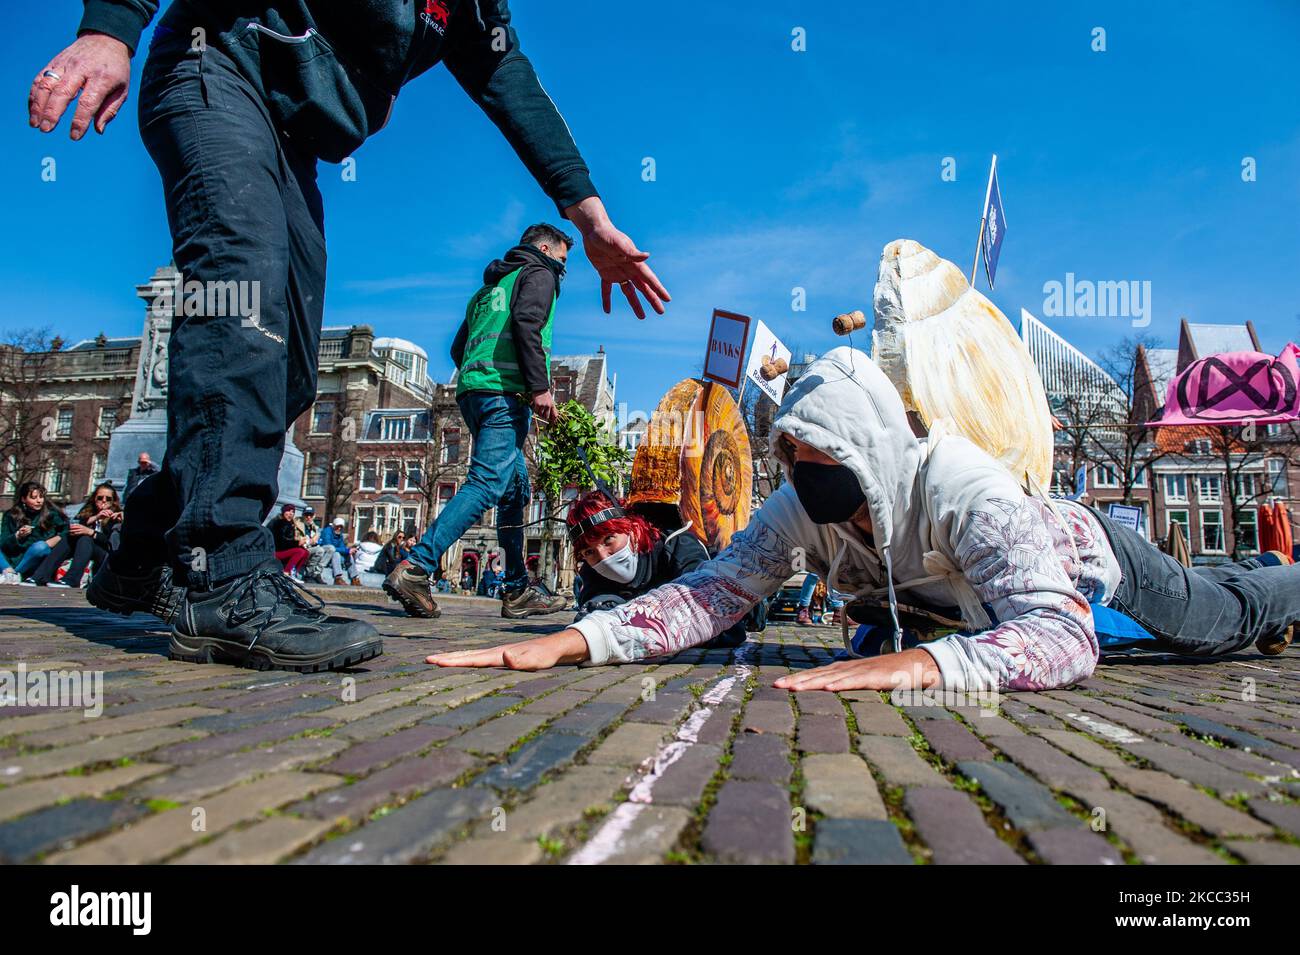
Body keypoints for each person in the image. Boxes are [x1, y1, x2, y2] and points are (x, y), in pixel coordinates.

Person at [35, 1, 668, 673]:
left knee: (291, 373)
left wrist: (592, 217)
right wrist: (110, 28)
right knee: (240, 296)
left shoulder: (473, 9)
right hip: (215, 68)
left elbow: (511, 81)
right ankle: (221, 577)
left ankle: (138, 554)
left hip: (290, 139)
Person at [428, 347, 1300, 692]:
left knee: (1223, 620)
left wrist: (924, 665)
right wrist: (582, 641)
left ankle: (1285, 583)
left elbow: (1065, 637)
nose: (813, 490)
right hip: (963, 604)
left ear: (876, 458)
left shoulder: (961, 486)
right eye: (798, 469)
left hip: (1092, 562)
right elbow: (711, 593)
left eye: (830, 470)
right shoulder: (799, 502)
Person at [384, 224, 576, 622]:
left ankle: (517, 588)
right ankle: (417, 567)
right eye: (562, 259)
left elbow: (458, 348)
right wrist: (539, 388)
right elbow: (528, 324)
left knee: (514, 490)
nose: (562, 268)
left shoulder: (488, 289)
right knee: (488, 483)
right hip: (504, 396)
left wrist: (482, 379)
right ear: (544, 248)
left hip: (473, 394)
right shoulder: (538, 272)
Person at [566, 490, 746, 648]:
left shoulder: (677, 546)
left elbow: (720, 623)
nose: (604, 557)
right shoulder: (592, 572)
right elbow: (596, 618)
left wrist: (633, 624)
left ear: (631, 527)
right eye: (589, 552)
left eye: (609, 540)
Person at [31, 483, 123, 588]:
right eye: (100, 498)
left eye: (108, 499)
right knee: (68, 539)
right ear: (94, 499)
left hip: (105, 554)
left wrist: (92, 533)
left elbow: (111, 543)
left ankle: (72, 579)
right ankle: (40, 576)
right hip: (84, 549)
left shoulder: (116, 516)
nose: (104, 501)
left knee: (85, 538)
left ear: (114, 501)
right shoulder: (88, 512)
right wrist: (96, 517)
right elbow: (75, 527)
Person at [1, 483, 70, 584]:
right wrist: (17, 535)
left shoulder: (52, 514)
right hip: (11, 556)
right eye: (33, 497)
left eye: (41, 497)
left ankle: (13, 575)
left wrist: (51, 542)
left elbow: (67, 531)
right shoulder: (10, 515)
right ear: (23, 499)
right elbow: (3, 542)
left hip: (35, 557)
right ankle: (11, 574)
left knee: (40, 547)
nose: (39, 501)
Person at [269, 504, 310, 577]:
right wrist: (297, 543)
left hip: (283, 549)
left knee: (306, 552)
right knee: (299, 551)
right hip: (274, 551)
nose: (291, 514)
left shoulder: (290, 523)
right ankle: (286, 573)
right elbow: (281, 542)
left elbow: (288, 540)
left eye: (293, 512)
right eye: (288, 511)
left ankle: (294, 573)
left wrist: (299, 542)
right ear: (283, 512)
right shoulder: (279, 523)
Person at [319, 517, 359, 585]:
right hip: (326, 555)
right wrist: (347, 550)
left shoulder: (339, 535)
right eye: (337, 526)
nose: (339, 528)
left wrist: (348, 551)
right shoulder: (327, 531)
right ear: (333, 525)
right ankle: (338, 578)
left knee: (348, 554)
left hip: (334, 557)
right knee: (336, 553)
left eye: (341, 527)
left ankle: (354, 578)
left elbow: (342, 547)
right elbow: (329, 547)